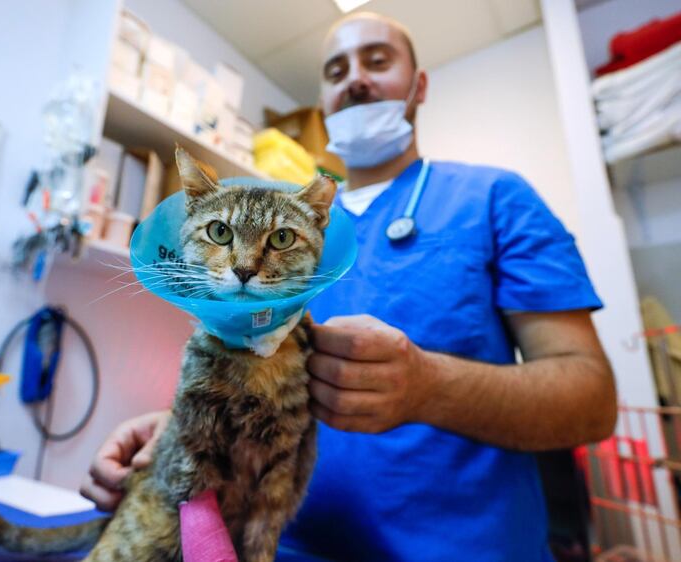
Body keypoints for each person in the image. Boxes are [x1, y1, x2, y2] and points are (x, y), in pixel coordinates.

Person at [81, 12, 617, 561]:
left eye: (377, 60)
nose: (354, 78)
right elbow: (258, 370)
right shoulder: (280, 219)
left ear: (420, 85)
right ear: (324, 101)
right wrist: (178, 428)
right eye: (336, 69)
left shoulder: (494, 197)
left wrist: (429, 387)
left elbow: (593, 399)